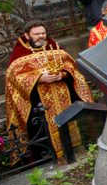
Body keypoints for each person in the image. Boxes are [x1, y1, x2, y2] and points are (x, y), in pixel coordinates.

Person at [5, 21, 94, 162]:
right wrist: (39, 78)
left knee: (71, 120)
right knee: (41, 126)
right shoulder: (19, 53)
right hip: (37, 100)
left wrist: (63, 74)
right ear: (27, 35)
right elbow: (14, 78)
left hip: (63, 93)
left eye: (43, 33)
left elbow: (70, 65)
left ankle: (76, 149)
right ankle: (51, 156)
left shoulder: (54, 47)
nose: (41, 36)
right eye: (37, 34)